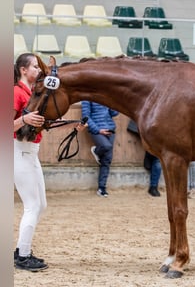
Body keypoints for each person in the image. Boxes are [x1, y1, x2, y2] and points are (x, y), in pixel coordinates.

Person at [13, 53, 85, 271]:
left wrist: (71, 125)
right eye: (35, 66)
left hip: (30, 151)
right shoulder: (16, 92)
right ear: (23, 70)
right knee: (32, 206)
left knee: (40, 205)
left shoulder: (35, 92)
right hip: (17, 150)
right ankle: (23, 256)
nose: (39, 70)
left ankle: (21, 249)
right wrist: (24, 119)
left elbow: (44, 123)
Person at [81, 101, 119, 197]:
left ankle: (101, 188)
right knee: (106, 146)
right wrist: (98, 130)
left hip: (110, 129)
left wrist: (113, 100)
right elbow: (86, 117)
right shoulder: (87, 98)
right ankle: (96, 151)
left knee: (107, 160)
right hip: (98, 130)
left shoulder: (105, 95)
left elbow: (114, 113)